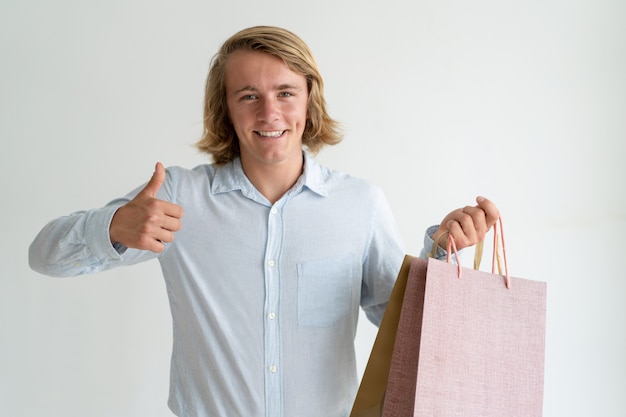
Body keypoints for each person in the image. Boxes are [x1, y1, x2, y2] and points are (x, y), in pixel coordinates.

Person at [29, 26, 500, 417]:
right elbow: (43, 257)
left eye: (285, 93)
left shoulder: (359, 204)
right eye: (248, 95)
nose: (269, 113)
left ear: (310, 100)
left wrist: (443, 253)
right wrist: (111, 228)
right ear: (226, 108)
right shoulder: (177, 196)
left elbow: (401, 329)